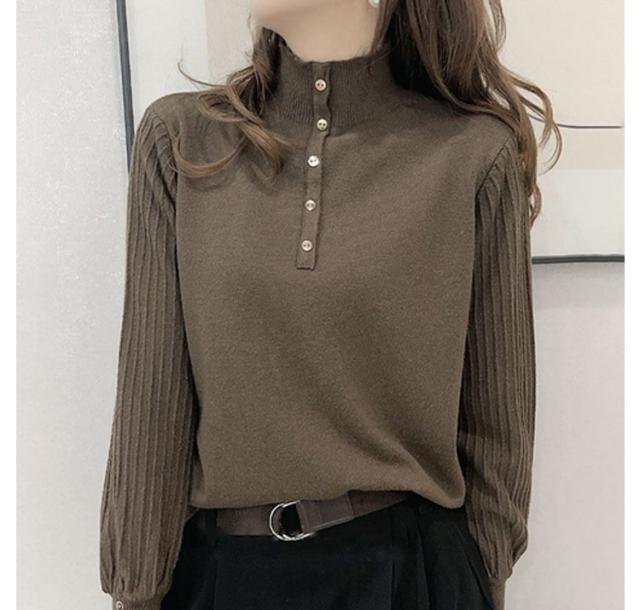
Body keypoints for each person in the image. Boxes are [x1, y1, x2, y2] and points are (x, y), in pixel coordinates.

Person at [99, 0, 561, 609]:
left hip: (411, 577)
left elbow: (498, 426)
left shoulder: (472, 154)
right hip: (224, 576)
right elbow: (152, 399)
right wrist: (136, 591)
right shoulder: (182, 141)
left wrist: (482, 582)